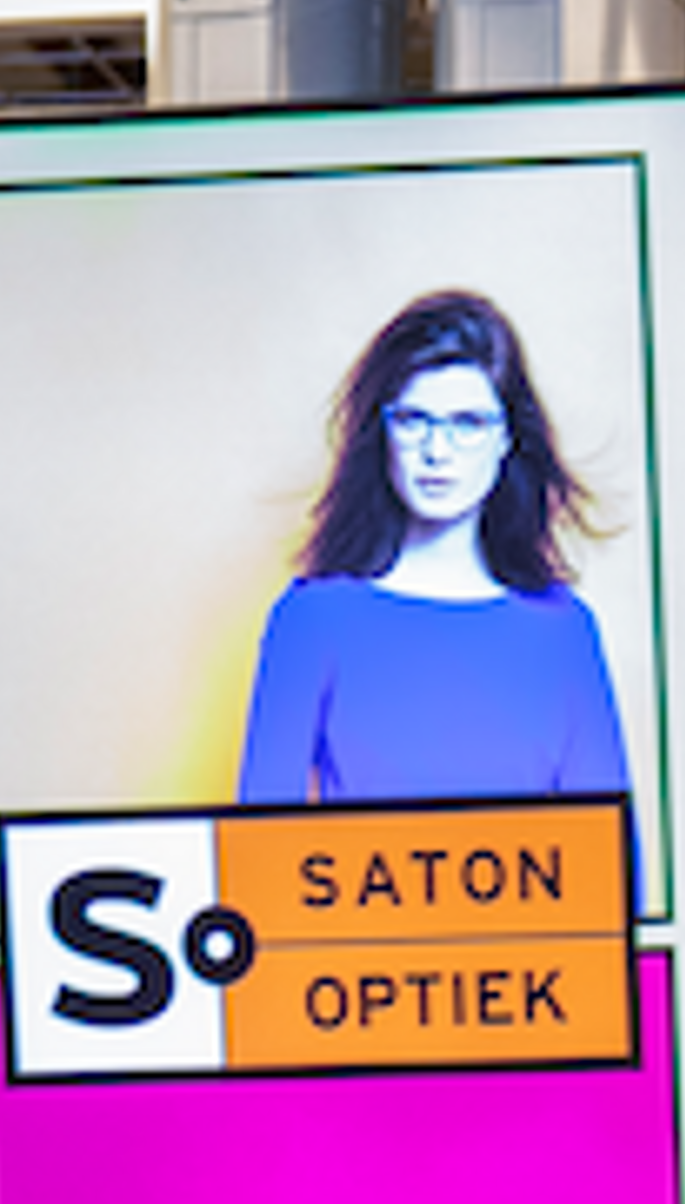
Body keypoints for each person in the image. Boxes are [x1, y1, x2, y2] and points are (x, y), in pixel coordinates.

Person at [237, 288, 631, 819]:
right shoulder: (312, 620)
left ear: (507, 437)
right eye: (413, 420)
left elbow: (607, 850)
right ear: (382, 432)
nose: (437, 452)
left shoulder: (563, 630)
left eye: (468, 423)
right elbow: (260, 841)